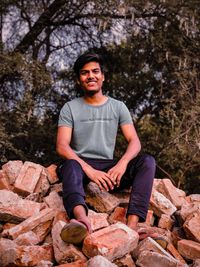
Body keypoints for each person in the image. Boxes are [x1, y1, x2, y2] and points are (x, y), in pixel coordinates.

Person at [56, 51, 156, 245]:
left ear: (103, 76)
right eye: (85, 73)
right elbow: (62, 145)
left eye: (95, 71)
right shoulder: (70, 107)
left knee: (147, 161)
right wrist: (90, 171)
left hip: (109, 169)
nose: (90, 76)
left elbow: (134, 141)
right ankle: (81, 220)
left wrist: (122, 163)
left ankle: (131, 227)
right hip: (80, 166)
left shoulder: (118, 107)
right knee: (69, 165)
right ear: (79, 79)